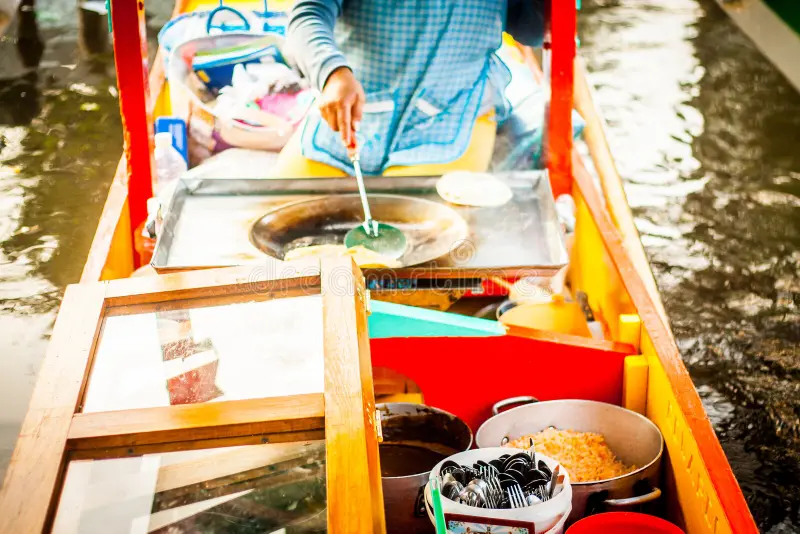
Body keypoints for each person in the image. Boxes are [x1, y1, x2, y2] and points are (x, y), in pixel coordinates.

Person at [272, 0, 546, 178]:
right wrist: (331, 73)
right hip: (350, 114)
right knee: (277, 217)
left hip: (454, 116)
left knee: (429, 234)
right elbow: (308, 14)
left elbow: (531, 30)